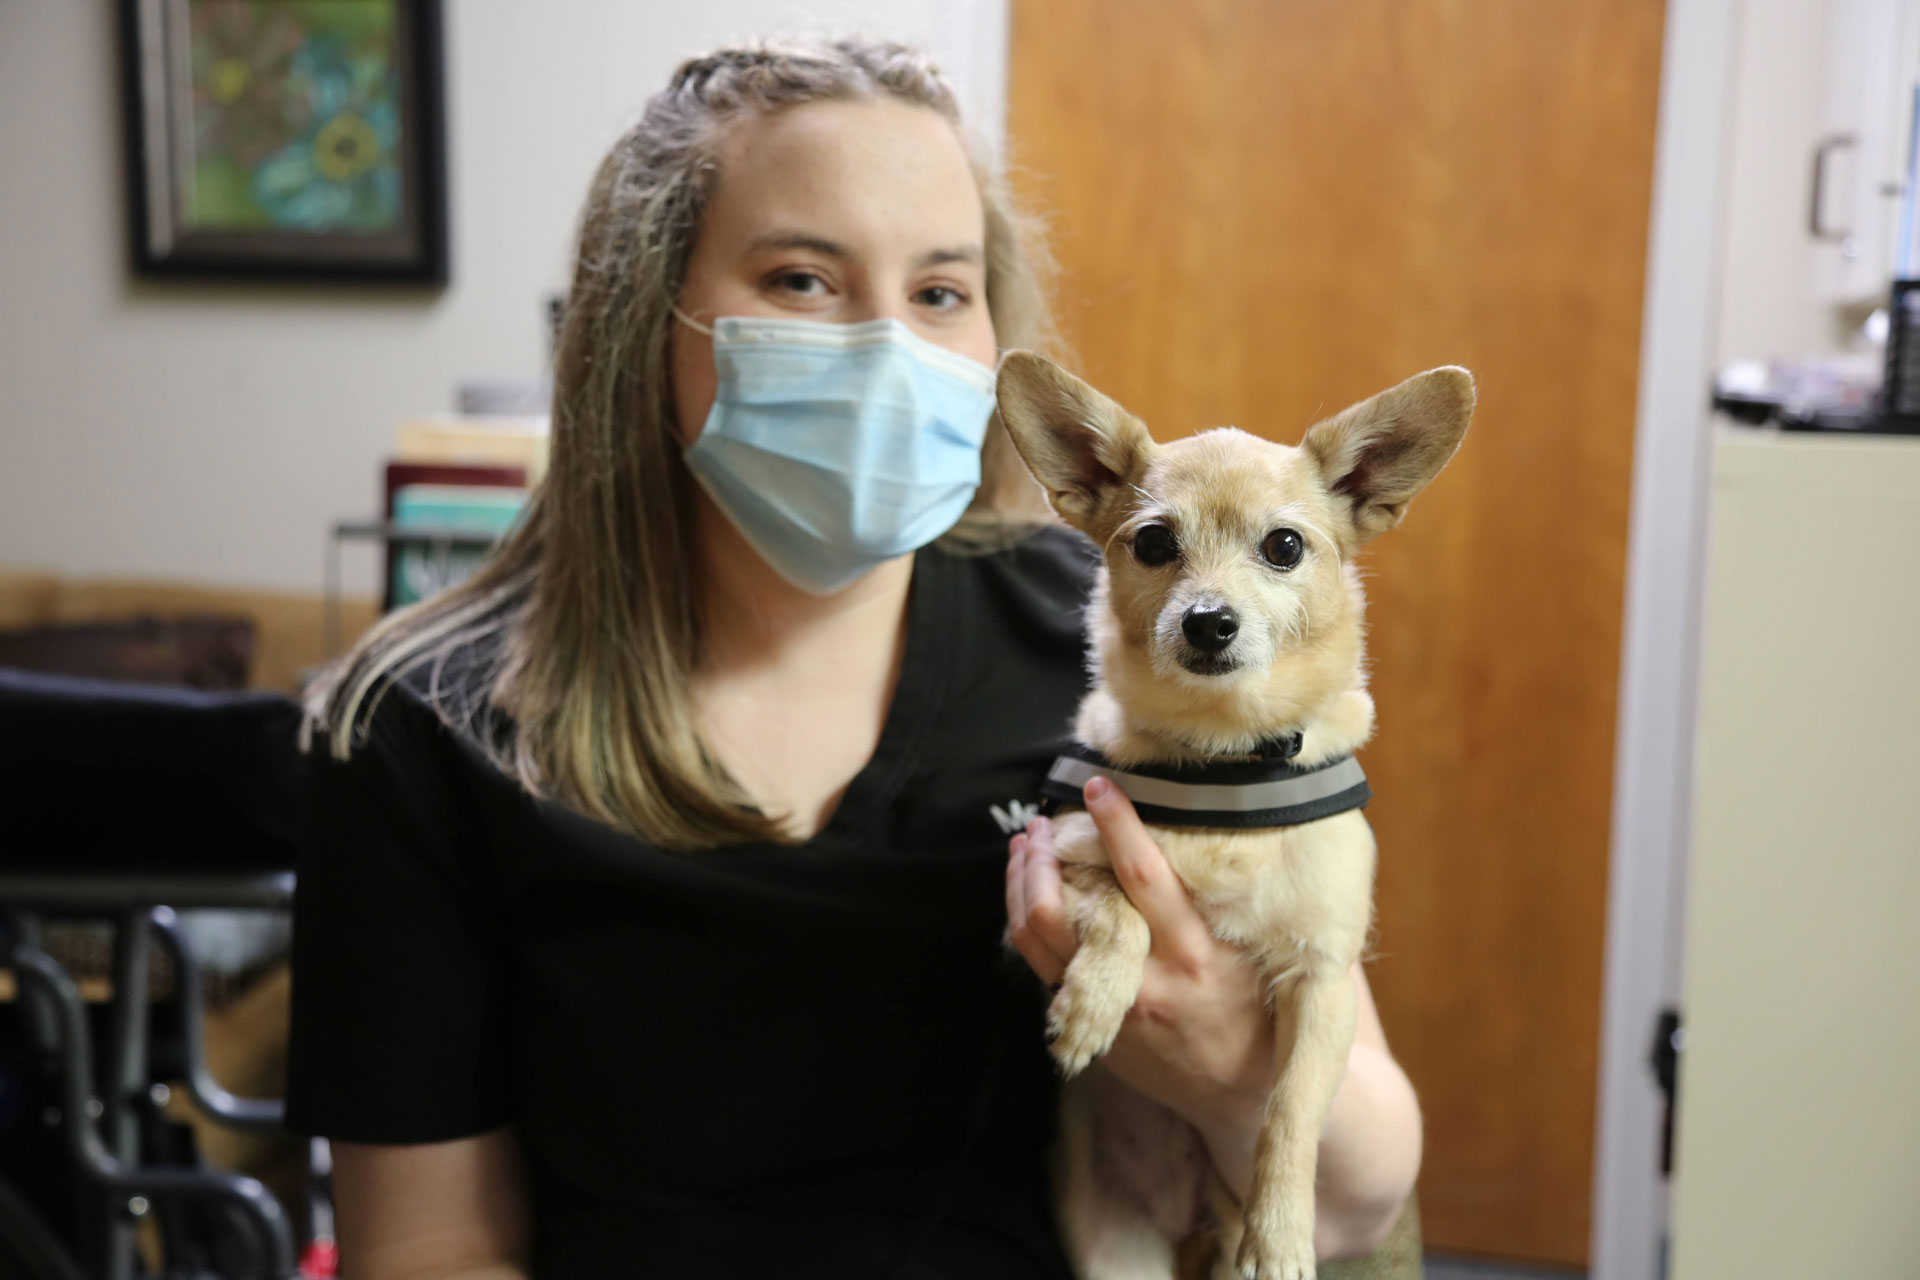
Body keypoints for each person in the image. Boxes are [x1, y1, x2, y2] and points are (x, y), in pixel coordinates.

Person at [286, 36, 1422, 1280]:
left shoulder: (1110, 641)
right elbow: (432, 1250)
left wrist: (1214, 1066)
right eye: (804, 280)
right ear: (643, 316)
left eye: (940, 292)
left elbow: (1362, 1195)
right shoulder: (424, 724)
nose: (891, 347)